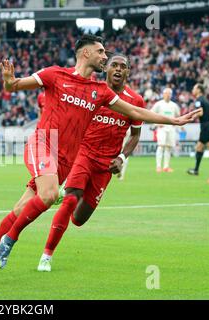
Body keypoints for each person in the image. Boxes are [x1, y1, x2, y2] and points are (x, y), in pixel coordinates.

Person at [0, 35, 201, 283]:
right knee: (49, 195)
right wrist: (8, 80)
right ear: (86, 53)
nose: (105, 57)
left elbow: (134, 111)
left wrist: (174, 120)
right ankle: (10, 240)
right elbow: (14, 85)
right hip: (45, 144)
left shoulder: (99, 91)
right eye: (101, 52)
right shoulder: (54, 74)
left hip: (66, 160)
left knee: (21, 209)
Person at [36, 54, 143, 272]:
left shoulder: (135, 101)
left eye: (123, 66)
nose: (118, 69)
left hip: (106, 164)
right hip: (83, 153)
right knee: (71, 200)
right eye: (114, 65)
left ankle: (67, 194)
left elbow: (135, 134)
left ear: (128, 72)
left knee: (79, 219)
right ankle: (46, 255)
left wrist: (122, 157)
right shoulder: (92, 92)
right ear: (107, 69)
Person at [151, 88, 180, 173]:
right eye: (166, 93)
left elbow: (178, 115)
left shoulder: (174, 105)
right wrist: (156, 124)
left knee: (168, 147)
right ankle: (158, 166)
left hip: (171, 128)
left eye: (169, 94)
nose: (168, 95)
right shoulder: (158, 104)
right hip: (161, 128)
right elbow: (151, 114)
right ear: (163, 94)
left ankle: (166, 167)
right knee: (161, 146)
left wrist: (176, 123)